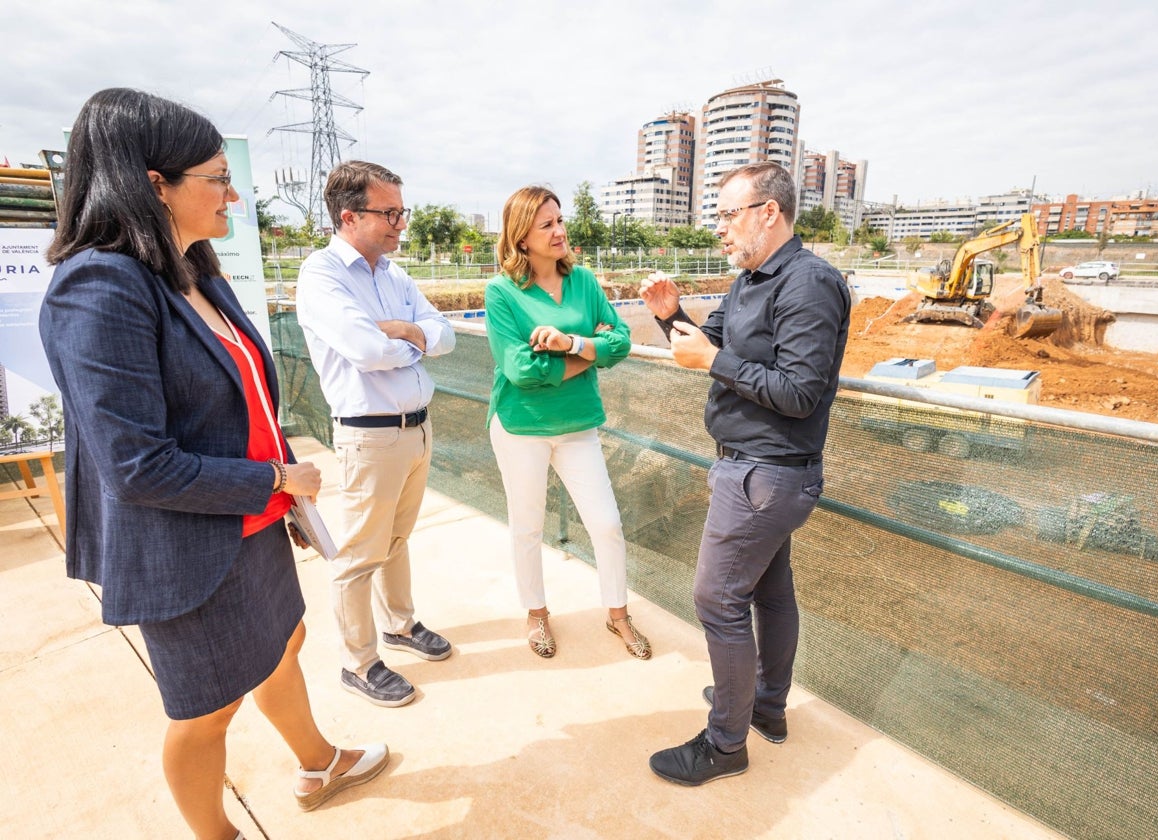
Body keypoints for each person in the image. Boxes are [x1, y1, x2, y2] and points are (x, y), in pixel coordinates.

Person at [38, 88, 387, 840]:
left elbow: (247, 396)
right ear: (152, 183)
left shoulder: (193, 266)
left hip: (250, 524)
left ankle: (318, 759)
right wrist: (273, 480)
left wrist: (284, 494)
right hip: (186, 546)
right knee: (205, 711)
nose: (234, 195)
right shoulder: (99, 286)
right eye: (218, 177)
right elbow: (136, 464)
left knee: (282, 645)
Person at [640, 162, 851, 785]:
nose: (722, 230)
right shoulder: (750, 280)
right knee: (767, 591)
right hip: (758, 471)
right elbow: (703, 344)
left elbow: (801, 392)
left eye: (729, 215)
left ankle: (726, 744)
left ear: (769, 212)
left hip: (768, 474)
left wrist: (715, 359)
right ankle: (765, 707)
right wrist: (668, 314)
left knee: (717, 599)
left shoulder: (808, 283)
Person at [296, 160, 456, 707]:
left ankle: (400, 625)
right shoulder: (322, 275)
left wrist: (405, 332)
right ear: (348, 216)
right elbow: (364, 351)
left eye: (401, 211)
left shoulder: (392, 274)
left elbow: (446, 336)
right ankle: (359, 661)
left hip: (415, 429)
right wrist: (413, 338)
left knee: (397, 541)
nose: (400, 223)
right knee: (361, 554)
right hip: (369, 434)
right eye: (389, 212)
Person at [485, 185, 651, 660]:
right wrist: (587, 353)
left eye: (560, 220)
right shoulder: (501, 292)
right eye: (546, 225)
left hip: (579, 424)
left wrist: (569, 344)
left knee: (607, 524)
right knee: (527, 527)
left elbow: (621, 341)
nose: (559, 231)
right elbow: (520, 370)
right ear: (521, 237)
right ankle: (536, 614)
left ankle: (618, 614)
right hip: (521, 426)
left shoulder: (583, 281)